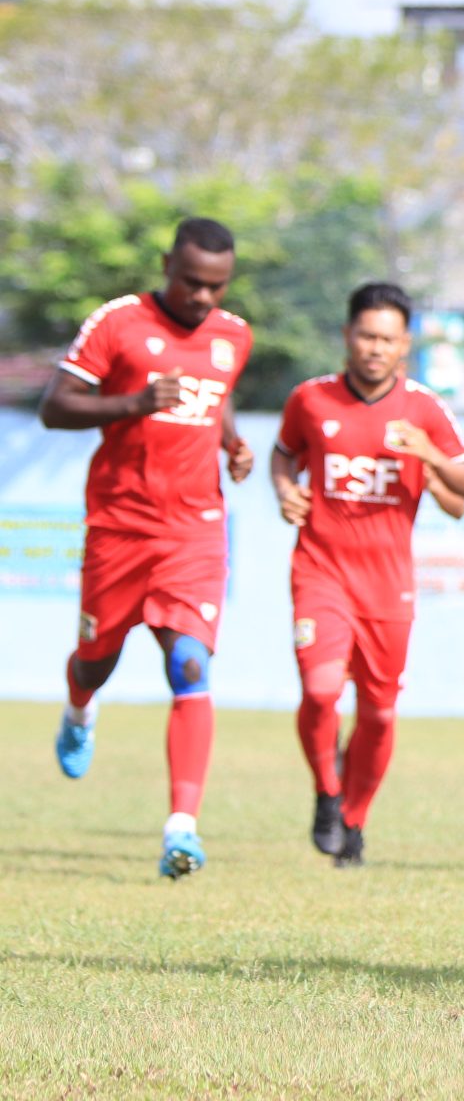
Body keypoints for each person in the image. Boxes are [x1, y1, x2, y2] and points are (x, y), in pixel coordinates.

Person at [40, 217, 255, 878]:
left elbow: (214, 401)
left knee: (189, 662)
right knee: (96, 660)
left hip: (194, 527)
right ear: (167, 265)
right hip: (119, 525)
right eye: (191, 282)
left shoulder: (234, 334)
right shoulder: (118, 322)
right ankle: (80, 707)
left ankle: (181, 830)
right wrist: (133, 401)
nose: (202, 298)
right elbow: (56, 406)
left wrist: (231, 443)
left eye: (216, 287)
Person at [271, 282, 464, 866]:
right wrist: (286, 489)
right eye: (366, 336)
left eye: (387, 339)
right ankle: (327, 793)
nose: (375, 348)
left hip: (388, 586)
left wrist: (428, 453)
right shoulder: (310, 399)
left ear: (405, 344)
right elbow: (284, 453)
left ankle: (354, 822)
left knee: (380, 713)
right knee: (320, 690)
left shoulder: (423, 409)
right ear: (347, 335)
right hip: (320, 574)